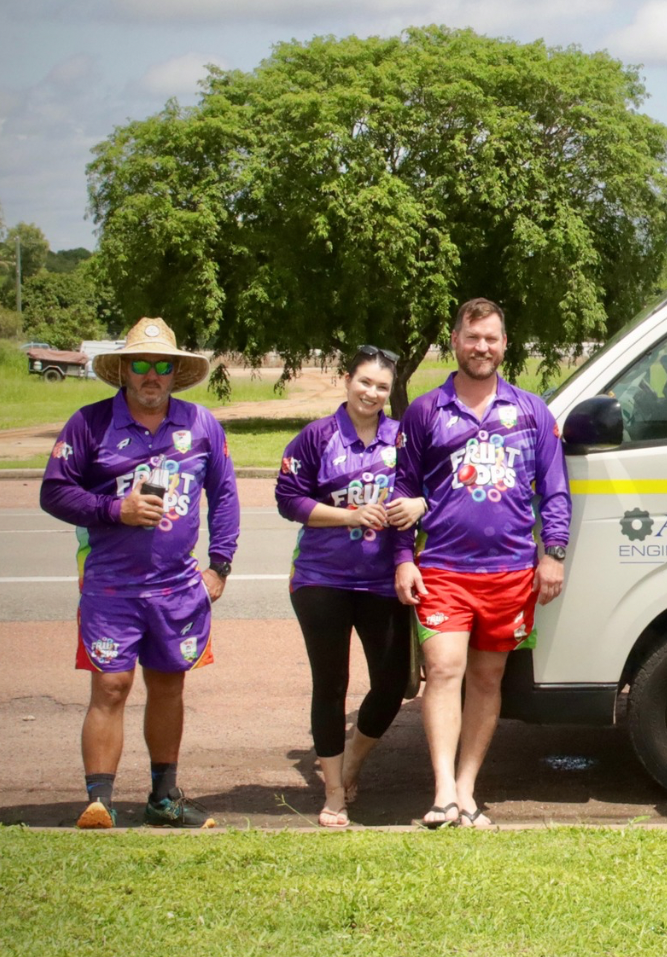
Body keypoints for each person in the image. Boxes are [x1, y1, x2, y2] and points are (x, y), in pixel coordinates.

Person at [42, 318, 239, 829]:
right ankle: (100, 802)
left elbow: (225, 497)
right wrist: (115, 510)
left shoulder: (200, 425)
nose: (152, 375)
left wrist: (219, 565)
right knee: (110, 686)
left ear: (175, 373)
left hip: (178, 586)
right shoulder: (89, 424)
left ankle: (163, 797)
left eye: (162, 366)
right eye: (142, 365)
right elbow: (54, 492)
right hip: (112, 585)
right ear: (125, 372)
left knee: (169, 686)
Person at [394, 299, 570, 829]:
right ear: (455, 341)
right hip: (444, 569)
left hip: (512, 572)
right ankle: (443, 790)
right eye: (473, 338)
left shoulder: (532, 411)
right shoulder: (426, 411)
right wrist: (405, 558)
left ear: (505, 344)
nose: (482, 347)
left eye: (491, 338)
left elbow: (556, 492)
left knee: (488, 681)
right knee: (444, 671)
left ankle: (468, 789)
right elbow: (403, 491)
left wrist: (553, 553)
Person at [275, 347, 428, 828]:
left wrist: (419, 506)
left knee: (391, 685)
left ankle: (354, 759)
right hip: (321, 580)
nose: (372, 393)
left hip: (383, 581)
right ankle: (335, 790)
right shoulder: (316, 437)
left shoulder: (402, 438)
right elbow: (287, 499)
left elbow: (428, 491)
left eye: (382, 387)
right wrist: (347, 516)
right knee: (331, 684)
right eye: (364, 382)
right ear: (347, 381)